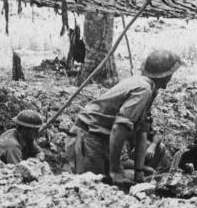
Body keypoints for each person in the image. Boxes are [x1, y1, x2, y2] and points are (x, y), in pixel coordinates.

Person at [67, 50, 181, 184]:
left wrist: (139, 171)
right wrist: (115, 170)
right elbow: (119, 128)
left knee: (107, 188)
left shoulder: (149, 89)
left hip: (100, 140)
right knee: (92, 188)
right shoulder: (143, 89)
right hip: (89, 137)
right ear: (165, 75)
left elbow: (142, 133)